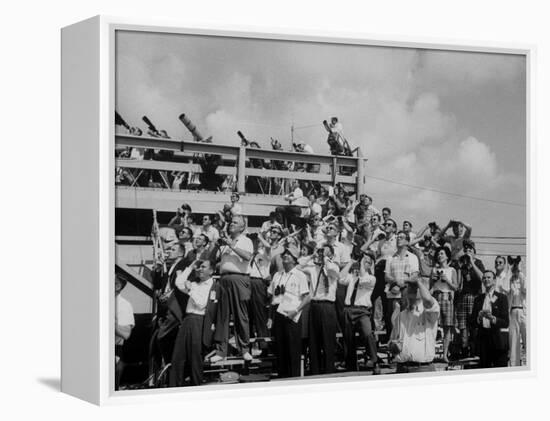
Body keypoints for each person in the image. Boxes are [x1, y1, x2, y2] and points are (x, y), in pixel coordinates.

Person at [210, 215, 254, 363]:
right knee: (222, 316)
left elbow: (248, 257)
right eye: (231, 222)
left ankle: (245, 349)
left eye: (235, 223)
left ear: (242, 227)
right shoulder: (224, 242)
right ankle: (221, 351)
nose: (231, 224)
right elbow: (213, 259)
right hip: (224, 279)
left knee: (240, 315)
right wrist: (216, 245)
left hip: (239, 278)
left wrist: (232, 245)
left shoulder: (246, 240)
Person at [170, 259, 221, 386]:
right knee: (178, 356)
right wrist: (190, 267)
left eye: (203, 267)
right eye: (199, 267)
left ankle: (196, 386)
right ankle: (174, 386)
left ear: (211, 271)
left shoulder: (212, 286)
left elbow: (201, 304)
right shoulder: (194, 284)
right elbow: (178, 282)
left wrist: (190, 290)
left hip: (199, 321)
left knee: (195, 358)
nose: (200, 269)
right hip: (188, 320)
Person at [268, 245, 311, 378]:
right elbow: (272, 296)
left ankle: (294, 379)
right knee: (280, 350)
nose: (285, 256)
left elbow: (307, 297)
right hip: (278, 313)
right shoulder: (277, 274)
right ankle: (282, 378)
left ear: (294, 259)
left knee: (293, 350)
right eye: (284, 254)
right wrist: (270, 317)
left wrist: (296, 310)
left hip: (292, 315)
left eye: (289, 254)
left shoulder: (300, 275)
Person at [299, 245, 340, 375]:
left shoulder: (333, 267)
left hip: (327, 305)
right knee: (314, 340)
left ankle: (329, 370)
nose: (322, 255)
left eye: (326, 253)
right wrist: (312, 255)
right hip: (315, 305)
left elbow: (332, 271)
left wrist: (327, 259)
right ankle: (315, 370)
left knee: (328, 340)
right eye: (321, 252)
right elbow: (298, 266)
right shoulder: (312, 268)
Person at [389, 275, 440, 373]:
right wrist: (393, 346)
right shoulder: (400, 315)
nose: (412, 289)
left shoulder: (429, 313)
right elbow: (392, 341)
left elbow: (428, 300)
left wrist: (418, 282)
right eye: (410, 287)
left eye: (415, 287)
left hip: (422, 369)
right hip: (401, 368)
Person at [340, 252, 380, 373]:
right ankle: (350, 364)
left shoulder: (371, 278)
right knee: (348, 338)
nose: (364, 263)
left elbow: (362, 278)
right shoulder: (353, 276)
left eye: (368, 262)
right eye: (364, 260)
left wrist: (362, 262)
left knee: (368, 333)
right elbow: (340, 278)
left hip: (362, 310)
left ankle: (374, 359)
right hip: (349, 309)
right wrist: (351, 263)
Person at [470, 270, 510, 368]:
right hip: (483, 340)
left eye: (489, 277)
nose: (486, 280)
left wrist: (493, 319)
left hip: (498, 340)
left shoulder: (502, 298)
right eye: (484, 278)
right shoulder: (478, 299)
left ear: (494, 280)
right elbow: (472, 322)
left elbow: (506, 322)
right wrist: (479, 318)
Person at [384, 230, 420, 338]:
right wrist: (396, 282)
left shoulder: (413, 257)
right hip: (394, 293)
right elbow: (387, 276)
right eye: (397, 237)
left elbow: (415, 276)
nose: (398, 239)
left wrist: (402, 282)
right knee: (394, 321)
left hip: (407, 293)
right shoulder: (390, 258)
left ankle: (406, 346)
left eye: (401, 237)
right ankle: (395, 347)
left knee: (407, 320)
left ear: (407, 242)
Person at [456, 239, 485, 357]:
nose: (467, 251)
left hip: (475, 296)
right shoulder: (462, 264)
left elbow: (482, 277)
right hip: (463, 297)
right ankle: (464, 349)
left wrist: (472, 262)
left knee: (474, 325)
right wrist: (459, 268)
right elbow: (458, 285)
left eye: (470, 250)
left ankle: (474, 349)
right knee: (463, 326)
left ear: (474, 251)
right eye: (466, 250)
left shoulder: (478, 262)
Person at [430, 246, 458, 362]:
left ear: (447, 256)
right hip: (436, 296)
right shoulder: (433, 270)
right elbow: (430, 287)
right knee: (433, 326)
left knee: (447, 327)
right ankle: (430, 354)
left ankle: (445, 354)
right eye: (438, 254)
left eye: (442, 253)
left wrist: (446, 279)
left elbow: (456, 287)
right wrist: (435, 279)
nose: (439, 256)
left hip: (447, 297)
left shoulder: (452, 270)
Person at [115, 272, 135, 389]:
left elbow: (126, 334)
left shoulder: (124, 305)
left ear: (117, 286)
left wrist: (110, 324)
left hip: (113, 353)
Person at [508, 260, 526, 366]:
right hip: (513, 311)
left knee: (528, 339)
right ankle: (515, 367)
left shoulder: (524, 278)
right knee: (513, 343)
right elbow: (506, 290)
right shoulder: (510, 279)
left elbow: (525, 289)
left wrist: (519, 272)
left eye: (516, 265)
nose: (515, 268)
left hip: (524, 311)